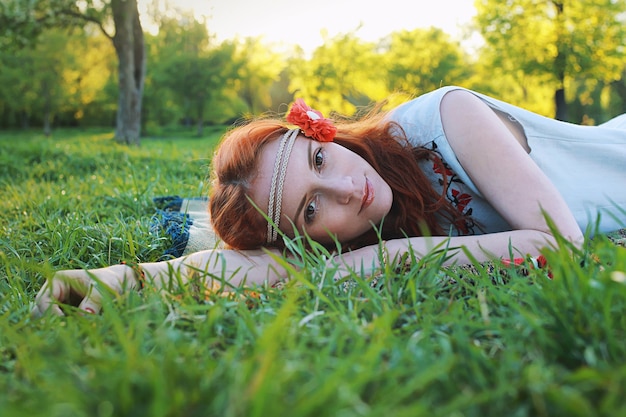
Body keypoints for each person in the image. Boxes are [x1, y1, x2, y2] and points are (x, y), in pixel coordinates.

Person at [32, 86, 626, 317]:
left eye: (320, 161)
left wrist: (385, 260)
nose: (348, 188)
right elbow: (255, 266)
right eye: (312, 211)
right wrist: (131, 278)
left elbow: (561, 245)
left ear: (322, 135)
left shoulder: (446, 116)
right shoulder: (355, 233)